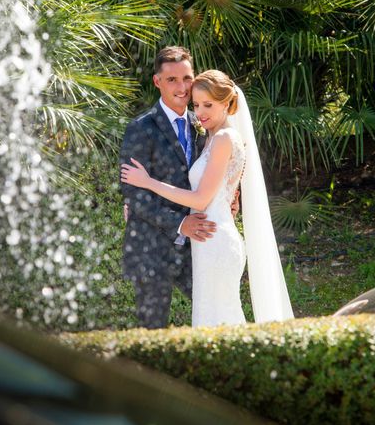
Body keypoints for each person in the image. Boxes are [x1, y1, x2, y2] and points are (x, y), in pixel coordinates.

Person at [121, 70, 294, 327]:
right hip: (206, 240)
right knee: (211, 320)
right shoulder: (212, 138)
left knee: (221, 320)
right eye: (196, 105)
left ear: (227, 103)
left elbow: (201, 200)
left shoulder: (224, 138)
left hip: (215, 240)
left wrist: (148, 183)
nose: (200, 112)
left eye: (208, 105)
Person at [119, 46, 216, 329]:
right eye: (171, 79)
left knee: (212, 317)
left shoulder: (202, 124)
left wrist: (229, 198)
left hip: (195, 247)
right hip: (151, 247)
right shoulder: (141, 129)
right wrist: (180, 223)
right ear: (157, 82)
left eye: (187, 78)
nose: (182, 87)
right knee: (153, 330)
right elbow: (134, 197)